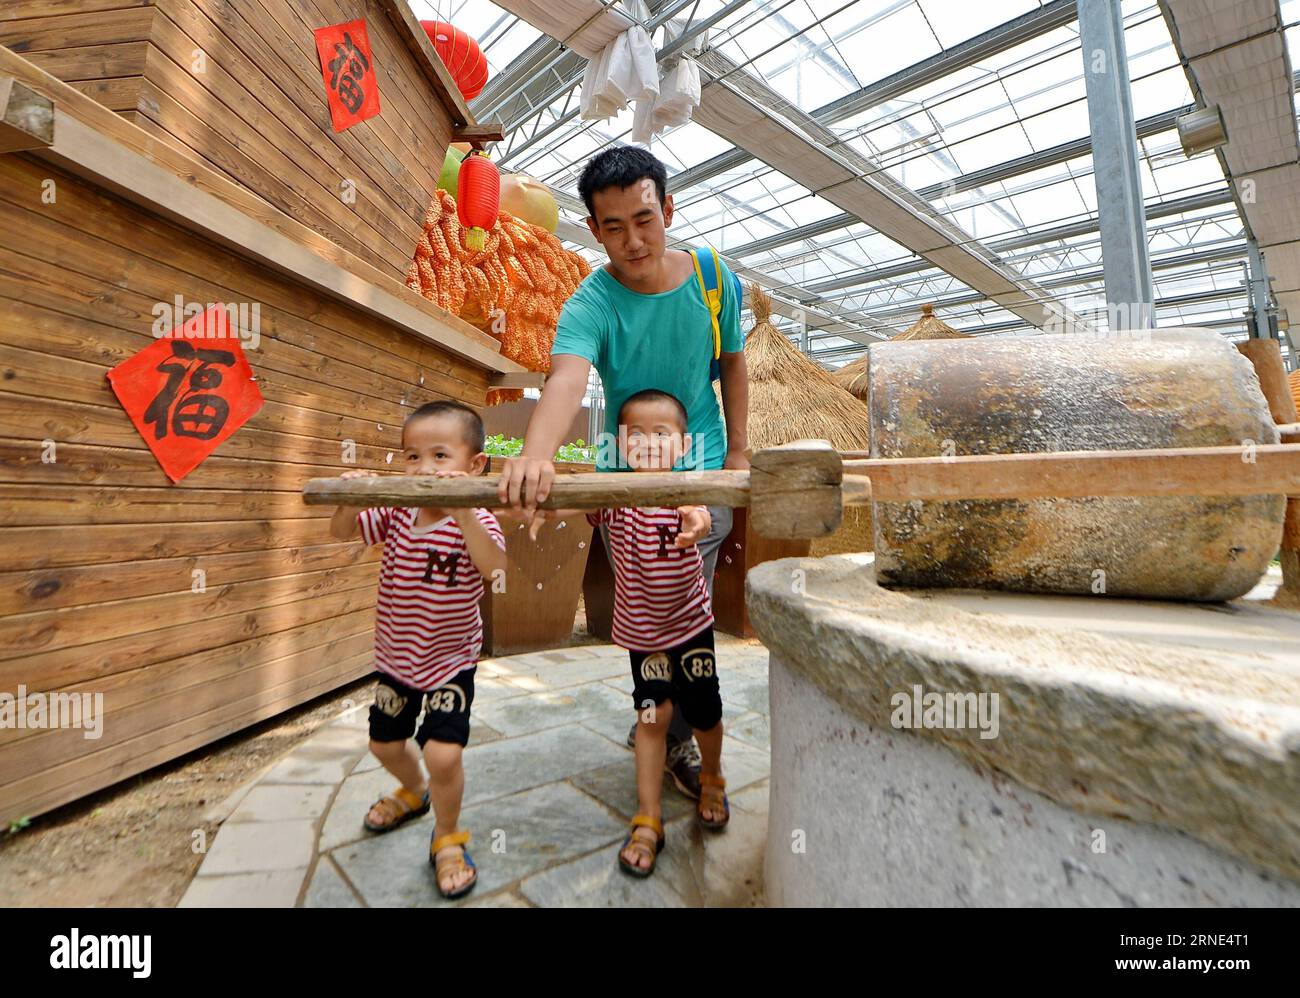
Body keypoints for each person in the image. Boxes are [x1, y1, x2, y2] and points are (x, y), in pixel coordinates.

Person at [498, 145, 748, 799]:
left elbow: (733, 363)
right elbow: (567, 378)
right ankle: (660, 722)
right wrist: (536, 453)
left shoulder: (714, 279)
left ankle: (679, 736)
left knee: (683, 611)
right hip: (624, 485)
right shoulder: (590, 302)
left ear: (667, 208)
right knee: (645, 610)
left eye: (644, 219)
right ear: (594, 228)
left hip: (700, 477)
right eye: (613, 227)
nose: (633, 241)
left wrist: (739, 452)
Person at [538, 389, 728, 876]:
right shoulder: (616, 498)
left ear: (683, 446)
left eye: (660, 435)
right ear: (621, 447)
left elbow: (702, 515)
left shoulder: (687, 491)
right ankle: (648, 816)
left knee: (704, 711)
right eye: (635, 436)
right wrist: (541, 507)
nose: (647, 444)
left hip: (689, 627)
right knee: (651, 717)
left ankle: (711, 775)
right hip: (643, 636)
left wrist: (696, 520)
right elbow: (571, 503)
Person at [329, 400, 507, 900]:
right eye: (412, 457)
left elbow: (496, 572)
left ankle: (448, 836)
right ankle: (414, 791)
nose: (424, 469)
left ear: (475, 467)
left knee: (444, 752)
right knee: (383, 744)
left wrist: (466, 513)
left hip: (452, 661)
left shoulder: (479, 520)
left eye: (439, 456)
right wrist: (349, 499)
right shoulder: (397, 510)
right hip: (397, 659)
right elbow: (342, 532)